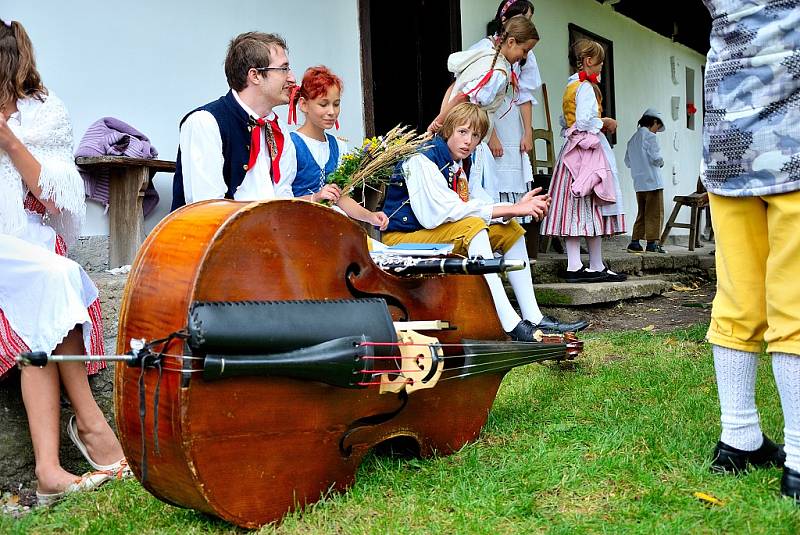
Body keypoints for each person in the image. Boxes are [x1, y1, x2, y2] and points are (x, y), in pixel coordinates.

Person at [0, 19, 127, 505]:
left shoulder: (44, 113)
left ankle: (49, 472)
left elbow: (56, 199)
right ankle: (91, 423)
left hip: (30, 243)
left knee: (53, 281)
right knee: (59, 277)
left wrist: (10, 141)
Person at [701, 0, 799, 505]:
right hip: (793, 144)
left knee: (737, 294)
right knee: (796, 303)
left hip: (729, 141)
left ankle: (737, 439)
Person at [382, 103, 588, 337]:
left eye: (475, 135)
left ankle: (533, 316)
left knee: (509, 229)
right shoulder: (422, 159)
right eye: (463, 132)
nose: (468, 141)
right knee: (474, 226)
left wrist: (516, 208)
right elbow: (440, 212)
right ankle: (509, 323)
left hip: (438, 232)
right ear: (448, 129)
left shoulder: (461, 162)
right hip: (403, 239)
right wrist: (512, 208)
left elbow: (478, 200)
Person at [172, 32, 340, 208]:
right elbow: (208, 208)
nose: (292, 78)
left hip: (267, 232)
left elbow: (282, 199)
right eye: (284, 69)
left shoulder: (279, 129)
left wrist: (313, 200)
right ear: (255, 76)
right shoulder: (206, 122)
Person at [539, 39, 627, 283]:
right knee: (589, 203)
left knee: (576, 206)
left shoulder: (572, 86)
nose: (601, 69)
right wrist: (605, 122)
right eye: (599, 64)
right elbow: (585, 120)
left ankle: (586, 263)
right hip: (585, 152)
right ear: (589, 61)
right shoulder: (585, 87)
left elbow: (563, 120)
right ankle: (580, 264)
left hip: (572, 149)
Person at [468, 1, 542, 223]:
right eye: (523, 17)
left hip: (512, 120)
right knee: (489, 173)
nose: (526, 22)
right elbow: (474, 97)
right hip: (487, 119)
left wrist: (527, 132)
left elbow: (525, 94)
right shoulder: (483, 49)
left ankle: (513, 225)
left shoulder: (526, 54)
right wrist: (491, 135)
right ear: (505, 19)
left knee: (513, 175)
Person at [288, 66, 388, 229]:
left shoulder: (338, 146)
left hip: (330, 227)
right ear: (304, 105)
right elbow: (280, 199)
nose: (331, 112)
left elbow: (341, 197)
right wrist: (316, 197)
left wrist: (370, 216)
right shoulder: (290, 144)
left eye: (336, 104)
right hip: (297, 227)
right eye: (323, 104)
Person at [427, 14, 538, 140]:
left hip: (458, 131)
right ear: (511, 42)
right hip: (468, 135)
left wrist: (441, 118)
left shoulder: (485, 56)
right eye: (525, 50)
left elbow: (453, 88)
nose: (525, 57)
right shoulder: (497, 73)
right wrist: (438, 122)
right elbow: (461, 97)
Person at [624, 108, 666, 254]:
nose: (657, 131)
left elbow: (627, 162)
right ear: (654, 121)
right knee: (655, 212)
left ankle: (635, 242)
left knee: (641, 212)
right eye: (658, 127)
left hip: (639, 183)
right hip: (653, 182)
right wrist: (661, 162)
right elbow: (656, 158)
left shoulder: (632, 139)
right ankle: (652, 243)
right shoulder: (650, 137)